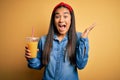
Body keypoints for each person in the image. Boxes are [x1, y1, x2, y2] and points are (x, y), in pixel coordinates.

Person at [25, 2, 95, 80]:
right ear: (53, 20)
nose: (61, 20)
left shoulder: (79, 38)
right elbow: (38, 65)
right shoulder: (43, 40)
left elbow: (81, 65)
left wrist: (83, 40)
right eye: (57, 16)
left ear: (71, 19)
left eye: (65, 16)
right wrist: (31, 57)